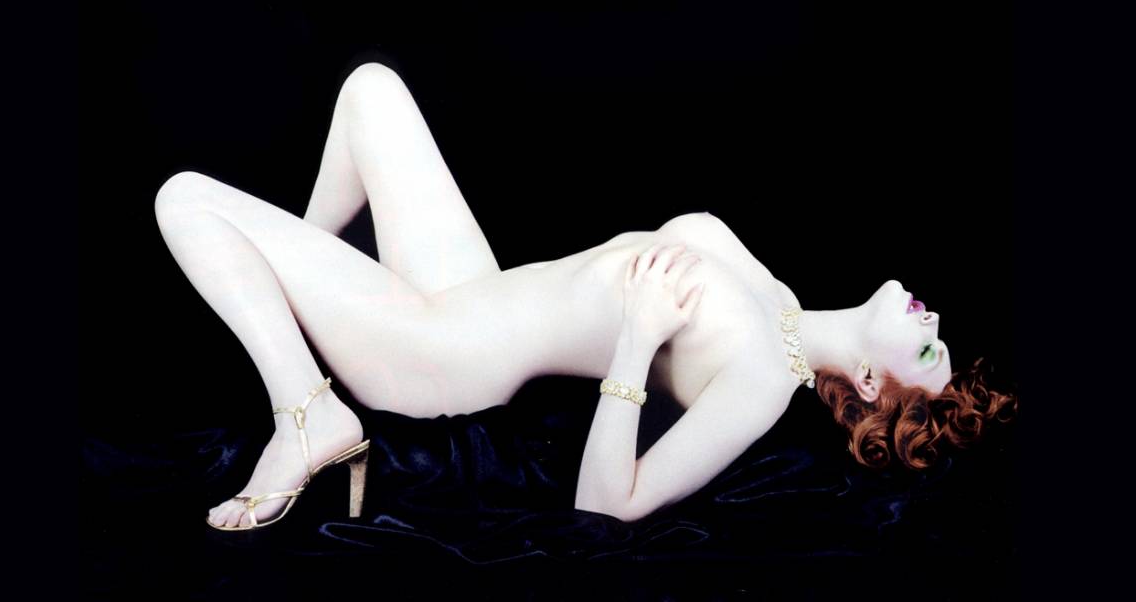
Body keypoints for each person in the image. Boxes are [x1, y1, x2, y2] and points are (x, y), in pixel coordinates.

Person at [154, 62, 1017, 531]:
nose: (934, 319)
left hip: (439, 352)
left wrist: (637, 343)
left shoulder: (764, 377)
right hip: (474, 294)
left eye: (928, 350)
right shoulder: (777, 299)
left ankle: (307, 414)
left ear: (868, 383)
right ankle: (292, 321)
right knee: (369, 91)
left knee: (185, 198)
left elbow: (608, 504)